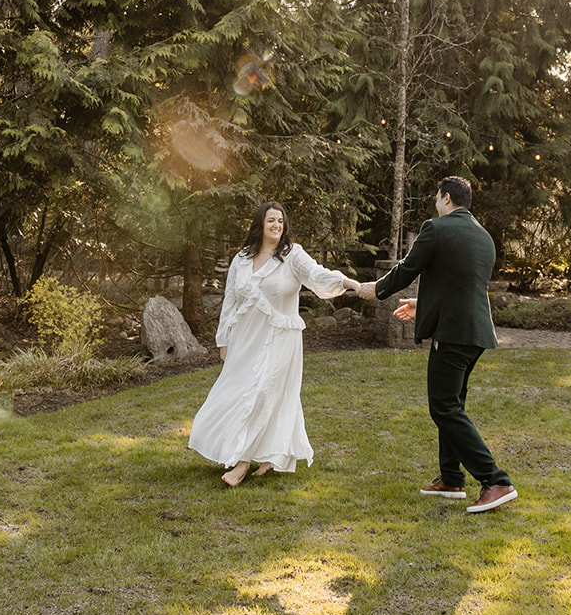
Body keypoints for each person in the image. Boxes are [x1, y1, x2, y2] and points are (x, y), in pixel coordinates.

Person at [356, 175, 517, 513]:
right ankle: (451, 478)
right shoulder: (484, 236)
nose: (435, 204)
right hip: (476, 334)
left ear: (446, 198)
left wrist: (376, 289)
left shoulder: (436, 228)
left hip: (453, 334)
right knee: (452, 405)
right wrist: (422, 304)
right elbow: (459, 284)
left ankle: (495, 480)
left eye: (436, 198)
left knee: (443, 407)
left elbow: (408, 268)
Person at [189, 201, 360, 486]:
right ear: (260, 223)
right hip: (247, 338)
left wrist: (349, 283)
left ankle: (242, 462)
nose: (276, 225)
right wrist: (224, 340)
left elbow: (317, 275)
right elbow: (230, 301)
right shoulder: (242, 258)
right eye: (271, 220)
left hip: (281, 337)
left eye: (280, 221)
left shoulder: (293, 255)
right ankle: (266, 454)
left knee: (263, 392)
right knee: (239, 392)